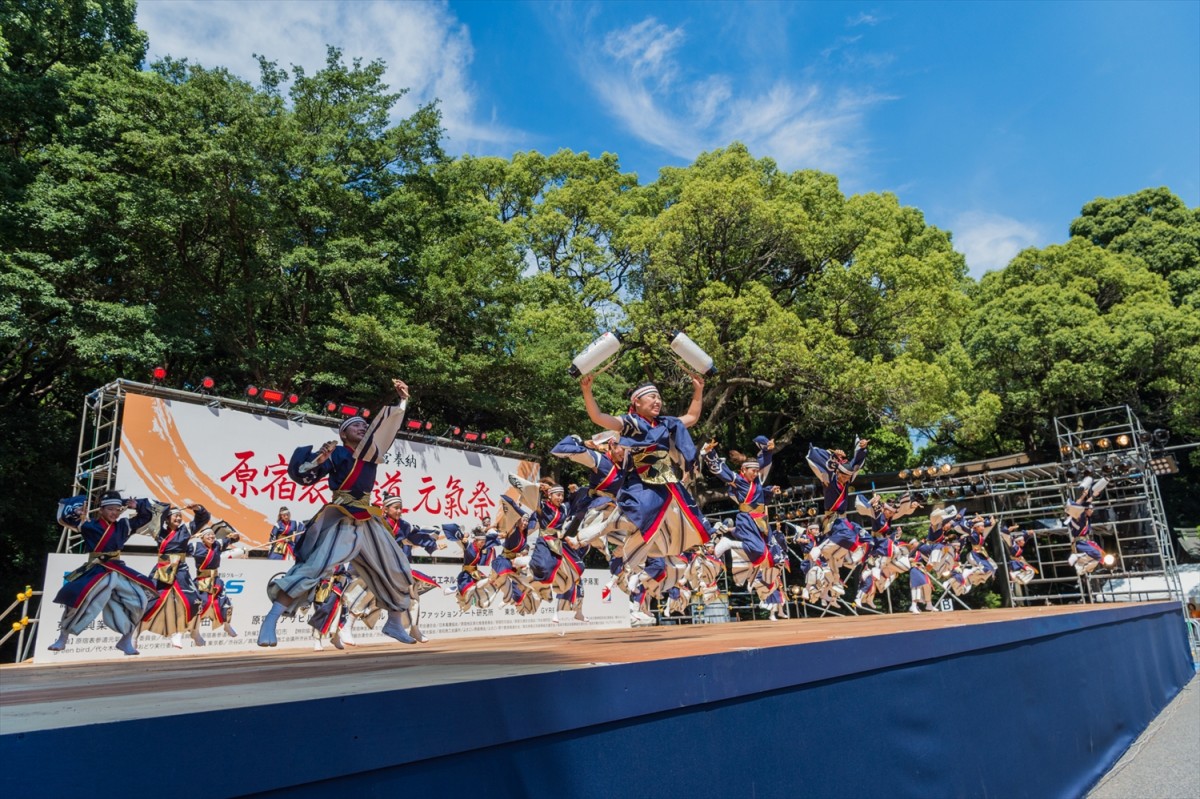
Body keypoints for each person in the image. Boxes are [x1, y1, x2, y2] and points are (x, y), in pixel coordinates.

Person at [258, 378, 417, 647]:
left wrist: (403, 401)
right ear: (343, 434)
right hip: (342, 515)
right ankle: (271, 619)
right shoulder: (339, 454)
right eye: (355, 425)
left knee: (397, 567)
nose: (362, 427)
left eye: (364, 425)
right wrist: (319, 457)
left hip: (368, 518)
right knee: (315, 567)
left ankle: (393, 623)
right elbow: (306, 474)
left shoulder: (372, 453)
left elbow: (387, 430)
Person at [580, 372, 713, 569]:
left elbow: (692, 417)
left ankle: (625, 549)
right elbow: (598, 417)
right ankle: (595, 534)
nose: (657, 401)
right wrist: (587, 391)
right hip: (640, 477)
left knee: (678, 521)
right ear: (637, 402)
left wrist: (698, 390)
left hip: (666, 479)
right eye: (652, 397)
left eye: (659, 397)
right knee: (642, 510)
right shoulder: (630, 423)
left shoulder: (666, 423)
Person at [48, 491, 158, 655]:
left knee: (140, 600)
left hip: (117, 568)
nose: (114, 513)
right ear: (101, 510)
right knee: (78, 600)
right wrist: (77, 511)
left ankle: (125, 639)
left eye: (117, 509)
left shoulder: (123, 526)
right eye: (110, 509)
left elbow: (146, 518)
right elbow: (65, 518)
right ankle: (62, 637)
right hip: (96, 568)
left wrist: (139, 505)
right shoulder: (89, 526)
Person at [141, 502, 209, 649]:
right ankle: (131, 637)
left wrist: (198, 509)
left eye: (180, 516)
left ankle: (190, 632)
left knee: (194, 601)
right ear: (166, 519)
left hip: (180, 570)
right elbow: (148, 517)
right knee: (151, 600)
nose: (178, 518)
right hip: (163, 567)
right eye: (175, 516)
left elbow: (203, 518)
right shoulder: (158, 531)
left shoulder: (186, 530)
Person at [188, 521, 242, 644]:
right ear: (202, 538)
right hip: (202, 581)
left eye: (212, 534)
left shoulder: (218, 544)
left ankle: (227, 625)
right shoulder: (196, 546)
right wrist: (190, 537)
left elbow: (236, 538)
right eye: (208, 535)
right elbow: (179, 546)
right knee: (201, 605)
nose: (211, 537)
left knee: (226, 604)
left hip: (216, 581)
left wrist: (234, 535)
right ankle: (195, 631)